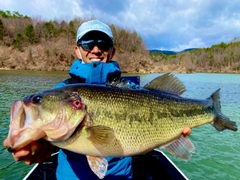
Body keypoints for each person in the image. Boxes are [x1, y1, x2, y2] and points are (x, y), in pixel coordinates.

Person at [3, 19, 192, 179]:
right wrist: (39, 143)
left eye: (103, 43)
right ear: (77, 50)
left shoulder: (132, 90)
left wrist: (172, 136)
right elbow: (53, 132)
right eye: (88, 43)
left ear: (112, 51)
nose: (95, 49)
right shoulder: (61, 91)